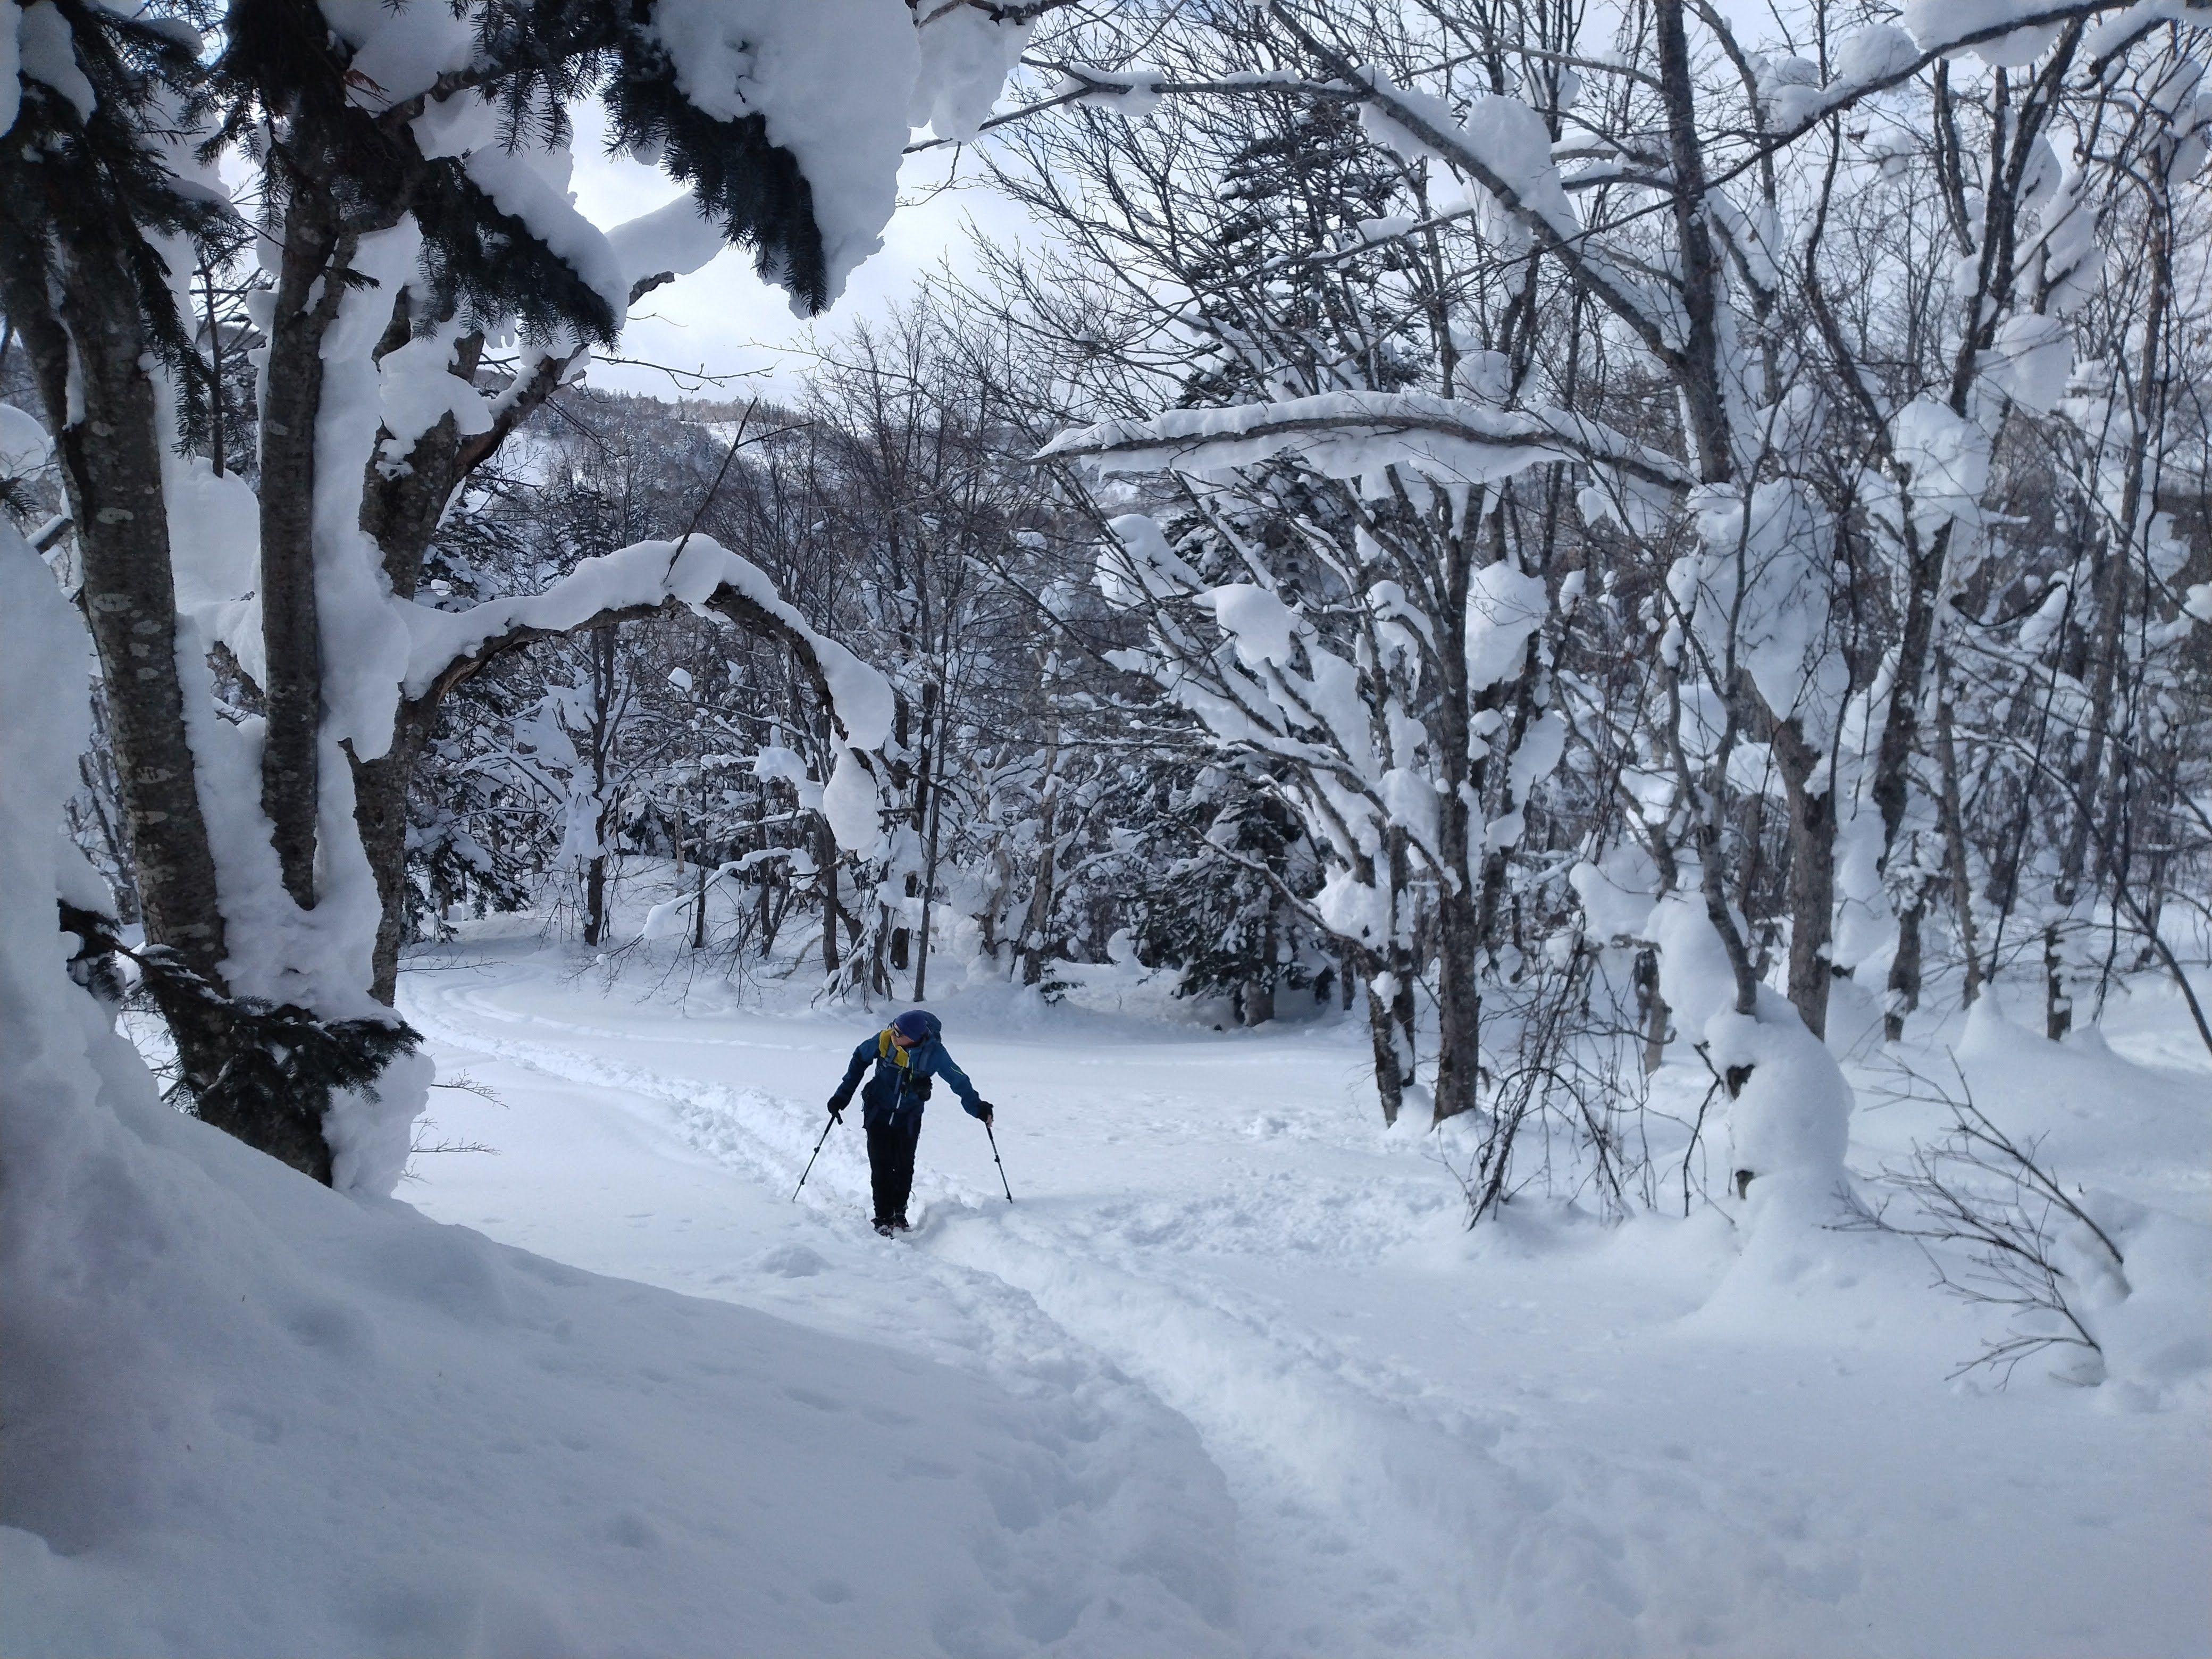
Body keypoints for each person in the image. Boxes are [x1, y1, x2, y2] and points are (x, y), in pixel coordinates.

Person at [827, 1009, 994, 1236]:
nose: (893, 1034)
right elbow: (859, 1059)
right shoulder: (884, 1040)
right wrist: (842, 1096)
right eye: (893, 1028)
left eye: (899, 1033)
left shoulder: (934, 1053)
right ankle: (883, 1216)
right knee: (882, 1164)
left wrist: (978, 1107)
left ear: (915, 1036)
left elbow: (958, 1079)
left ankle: (899, 1213)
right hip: (878, 1111)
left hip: (909, 1116)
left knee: (904, 1165)